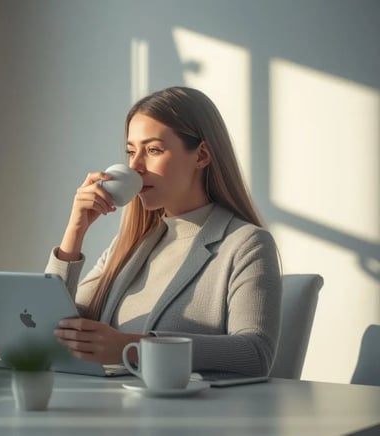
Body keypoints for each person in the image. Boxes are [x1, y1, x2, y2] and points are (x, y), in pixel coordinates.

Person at [47, 86, 281, 377]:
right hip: (108, 409)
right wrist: (75, 230)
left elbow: (255, 352)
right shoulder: (130, 245)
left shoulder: (246, 244)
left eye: (153, 150)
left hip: (183, 417)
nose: (135, 167)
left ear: (202, 155)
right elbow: (55, 326)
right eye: (131, 152)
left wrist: (130, 348)